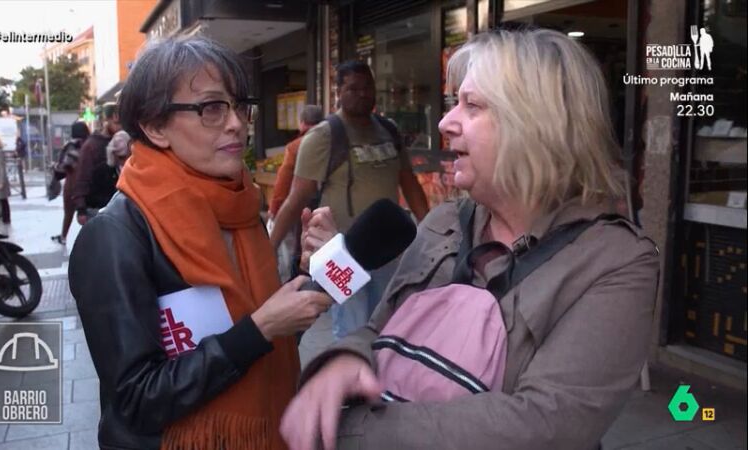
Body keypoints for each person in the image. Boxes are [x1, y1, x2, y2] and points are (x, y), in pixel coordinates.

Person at [281, 29, 660, 450]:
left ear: (536, 125)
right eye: (452, 103)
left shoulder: (617, 260)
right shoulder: (446, 221)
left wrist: (345, 430)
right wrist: (343, 360)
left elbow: (547, 426)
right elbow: (377, 329)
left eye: (472, 105)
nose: (445, 123)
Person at [67, 35, 332, 450]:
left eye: (239, 106)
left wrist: (313, 273)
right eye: (211, 108)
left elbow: (273, 344)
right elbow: (137, 399)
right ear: (155, 126)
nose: (236, 123)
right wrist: (259, 330)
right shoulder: (115, 236)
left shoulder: (240, 210)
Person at [270, 60, 429, 339]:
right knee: (352, 331)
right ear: (338, 92)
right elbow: (296, 199)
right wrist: (268, 249)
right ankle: (351, 381)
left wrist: (429, 232)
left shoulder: (388, 130)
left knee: (390, 326)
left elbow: (410, 183)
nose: (363, 94)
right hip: (343, 253)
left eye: (368, 87)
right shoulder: (322, 136)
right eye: (353, 88)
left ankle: (381, 380)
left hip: (390, 251)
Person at [268, 104, 324, 281]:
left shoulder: (295, 147)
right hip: (330, 209)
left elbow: (283, 183)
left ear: (302, 123)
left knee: (302, 249)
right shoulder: (333, 141)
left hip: (303, 208)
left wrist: (275, 209)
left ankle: (303, 282)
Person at [73, 102, 121, 225]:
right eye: (116, 123)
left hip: (116, 206)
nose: (120, 127)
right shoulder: (91, 146)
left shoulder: (121, 141)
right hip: (95, 207)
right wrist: (81, 209)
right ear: (107, 121)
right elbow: (82, 177)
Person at [51, 121, 90, 245]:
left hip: (72, 184)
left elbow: (63, 167)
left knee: (68, 213)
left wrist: (55, 166)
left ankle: (63, 236)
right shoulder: (90, 145)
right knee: (86, 213)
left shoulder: (70, 146)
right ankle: (90, 238)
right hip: (87, 184)